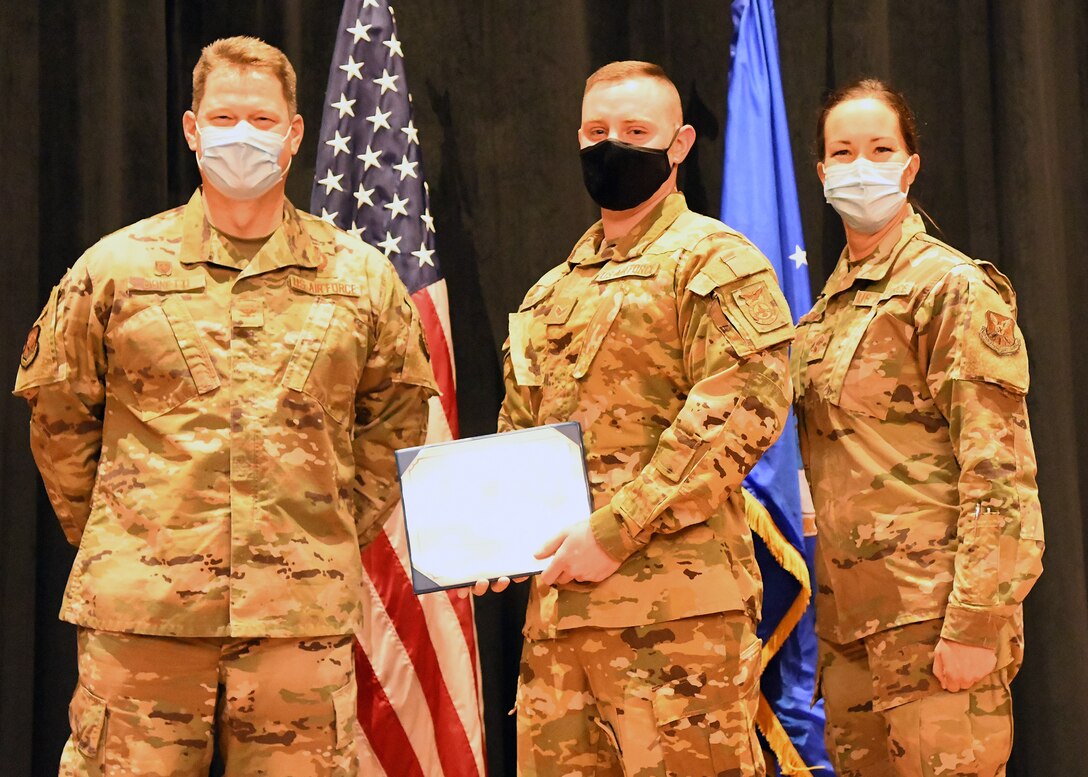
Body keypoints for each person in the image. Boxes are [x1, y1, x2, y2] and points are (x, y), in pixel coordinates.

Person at [14, 36, 435, 777]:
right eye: (226, 115)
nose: (244, 134)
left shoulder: (361, 280)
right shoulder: (115, 269)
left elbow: (395, 425)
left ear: (296, 132)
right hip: (143, 621)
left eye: (264, 119)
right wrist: (132, 535)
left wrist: (319, 532)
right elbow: (59, 417)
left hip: (296, 624)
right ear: (191, 128)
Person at [480, 60, 794, 776]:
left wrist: (615, 530)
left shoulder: (715, 263)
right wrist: (489, 541)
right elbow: (517, 442)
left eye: (635, 130)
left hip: (677, 627)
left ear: (678, 144)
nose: (611, 144)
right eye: (597, 131)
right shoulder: (548, 294)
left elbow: (739, 410)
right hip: (560, 632)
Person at [792, 78, 1044, 776]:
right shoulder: (820, 317)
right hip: (850, 635)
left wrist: (975, 622)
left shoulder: (952, 288)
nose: (860, 165)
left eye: (880, 148)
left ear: (910, 164)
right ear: (821, 173)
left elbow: (999, 469)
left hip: (934, 624)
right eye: (842, 152)